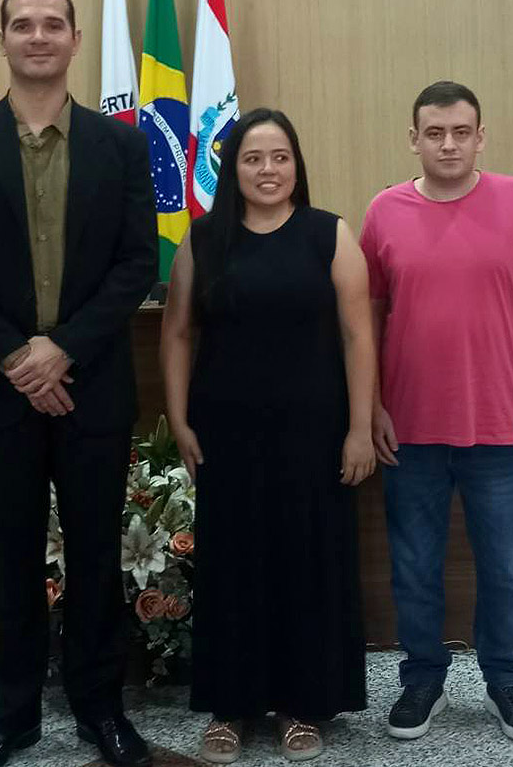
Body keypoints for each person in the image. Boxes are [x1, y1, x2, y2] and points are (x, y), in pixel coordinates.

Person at [0, 0, 158, 767]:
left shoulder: (121, 146)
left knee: (96, 556)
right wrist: (20, 357)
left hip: (93, 387)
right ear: (2, 40)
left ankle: (101, 709)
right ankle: (13, 713)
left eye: (53, 23)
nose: (38, 36)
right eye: (22, 24)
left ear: (75, 40)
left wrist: (65, 349)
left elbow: (136, 263)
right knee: (13, 555)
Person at [161, 108, 375, 763]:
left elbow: (358, 335)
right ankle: (230, 707)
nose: (268, 170)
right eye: (253, 158)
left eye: (280, 156)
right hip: (226, 435)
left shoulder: (328, 233)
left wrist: (360, 427)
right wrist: (179, 419)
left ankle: (300, 705)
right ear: (232, 169)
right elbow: (177, 333)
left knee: (305, 564)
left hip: (314, 433)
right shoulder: (204, 239)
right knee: (233, 567)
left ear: (296, 165)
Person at [360, 81, 513, 743]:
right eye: (434, 133)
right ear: (413, 140)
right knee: (414, 566)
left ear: (480, 137)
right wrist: (371, 405)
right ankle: (423, 678)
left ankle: (507, 680)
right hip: (409, 429)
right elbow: (368, 317)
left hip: (500, 426)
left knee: (504, 568)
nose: (447, 144)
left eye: (460, 132)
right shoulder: (383, 212)